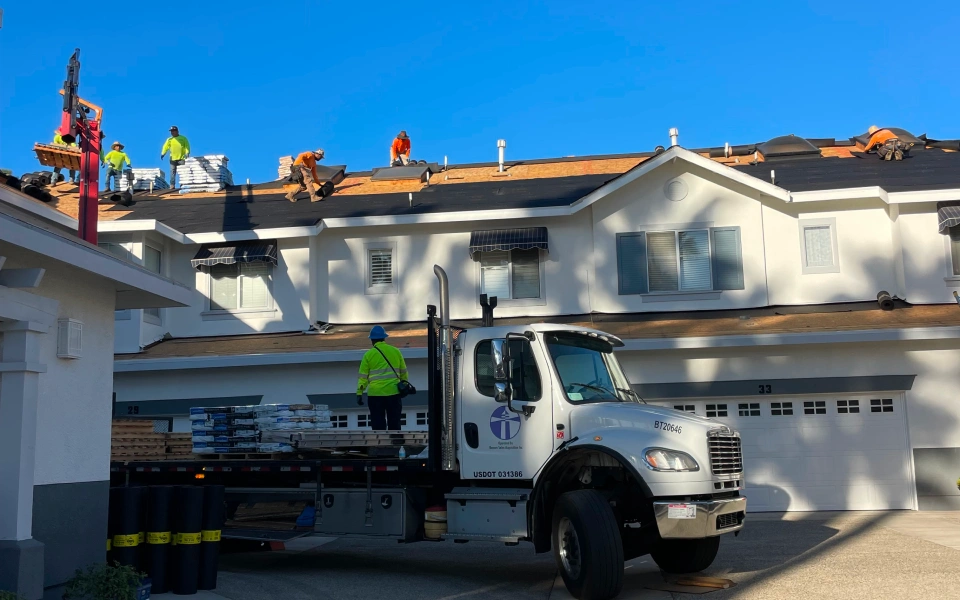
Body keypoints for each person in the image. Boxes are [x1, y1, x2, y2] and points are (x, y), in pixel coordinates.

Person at [356, 325, 408, 431]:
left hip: (375, 395)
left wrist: (359, 393)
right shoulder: (396, 351)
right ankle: (395, 445)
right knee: (394, 422)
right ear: (384, 338)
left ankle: (380, 445)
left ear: (372, 340)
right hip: (393, 393)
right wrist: (404, 386)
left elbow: (363, 378)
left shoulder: (368, 355)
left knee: (378, 424)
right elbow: (404, 373)